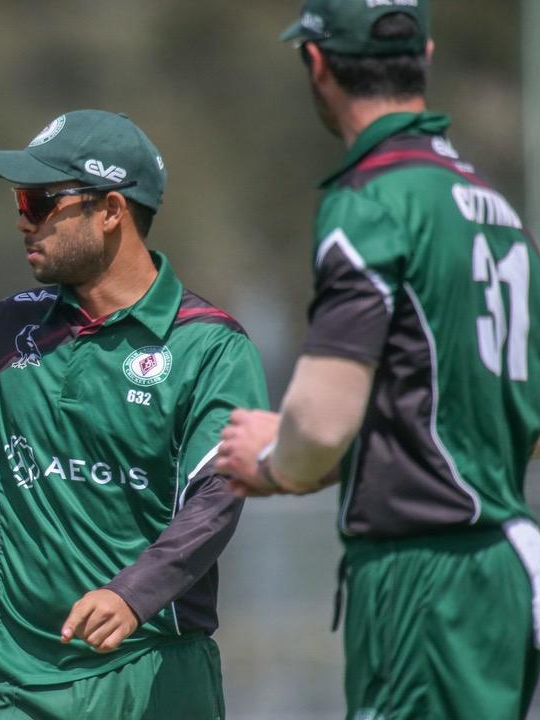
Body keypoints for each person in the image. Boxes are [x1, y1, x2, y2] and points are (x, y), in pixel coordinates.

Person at [0, 110, 268, 719]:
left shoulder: (210, 346)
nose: (21, 219)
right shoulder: (11, 326)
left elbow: (218, 495)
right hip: (16, 686)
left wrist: (133, 595)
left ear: (111, 210)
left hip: (155, 673)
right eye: (18, 200)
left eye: (39, 202)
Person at [216, 2, 540, 718]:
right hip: (503, 577)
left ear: (317, 63)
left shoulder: (371, 202)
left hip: (422, 580)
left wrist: (276, 460)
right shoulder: (495, 210)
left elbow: (323, 422)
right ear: (424, 52)